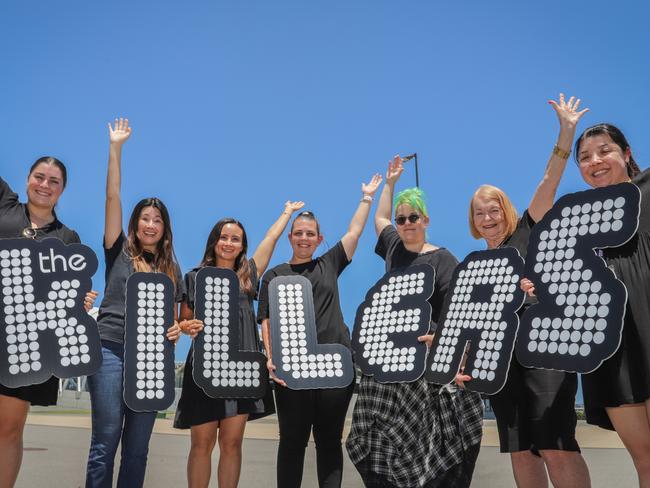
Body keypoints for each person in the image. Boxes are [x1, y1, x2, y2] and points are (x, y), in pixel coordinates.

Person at [470, 95, 591, 488]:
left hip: (544, 352)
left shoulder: (527, 230)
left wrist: (566, 132)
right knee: (520, 450)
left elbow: (548, 180)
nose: (487, 218)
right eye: (479, 212)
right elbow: (468, 322)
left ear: (506, 210)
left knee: (556, 445)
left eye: (493, 209)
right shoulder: (475, 265)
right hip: (503, 364)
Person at [347, 158, 483, 488]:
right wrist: (390, 183)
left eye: (413, 217)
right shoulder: (394, 247)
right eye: (402, 218)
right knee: (380, 443)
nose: (407, 223)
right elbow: (379, 218)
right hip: (389, 367)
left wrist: (439, 337)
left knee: (431, 449)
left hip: (427, 367)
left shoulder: (444, 258)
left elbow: (458, 313)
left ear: (426, 219)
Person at [257, 174, 382, 488]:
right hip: (291, 372)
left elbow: (355, 231)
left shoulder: (329, 263)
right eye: (298, 233)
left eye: (309, 234)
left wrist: (366, 197)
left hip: (334, 369)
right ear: (290, 237)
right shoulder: (274, 276)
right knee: (292, 443)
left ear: (318, 238)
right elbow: (266, 322)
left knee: (328, 443)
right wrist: (271, 360)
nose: (303, 238)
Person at [174, 201, 305, 488]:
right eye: (224, 237)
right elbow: (183, 320)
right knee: (201, 445)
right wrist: (187, 326)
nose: (229, 243)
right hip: (205, 372)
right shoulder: (194, 277)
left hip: (241, 373)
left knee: (232, 444)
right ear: (214, 241)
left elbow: (270, 241)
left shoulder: (248, 278)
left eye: (236, 239)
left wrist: (286, 213)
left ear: (242, 245)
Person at [85, 119, 185, 488]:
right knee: (104, 442)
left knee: (138, 449)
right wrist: (116, 148)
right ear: (135, 222)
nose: (150, 224)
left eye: (157, 220)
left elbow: (173, 321)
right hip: (110, 348)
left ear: (164, 228)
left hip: (152, 359)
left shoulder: (171, 268)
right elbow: (112, 196)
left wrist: (176, 329)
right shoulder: (119, 251)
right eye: (145, 217)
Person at [0, 158, 97, 488]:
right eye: (39, 177)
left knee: (9, 430)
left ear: (63, 189)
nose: (45, 185)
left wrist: (79, 302)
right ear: (26, 179)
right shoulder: (5, 205)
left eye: (53, 181)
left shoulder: (68, 238)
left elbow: (72, 297)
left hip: (27, 348)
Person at [570, 121, 650, 486]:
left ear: (627, 153)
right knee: (645, 461)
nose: (595, 161)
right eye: (585, 157)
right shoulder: (577, 222)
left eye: (605, 150)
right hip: (612, 350)